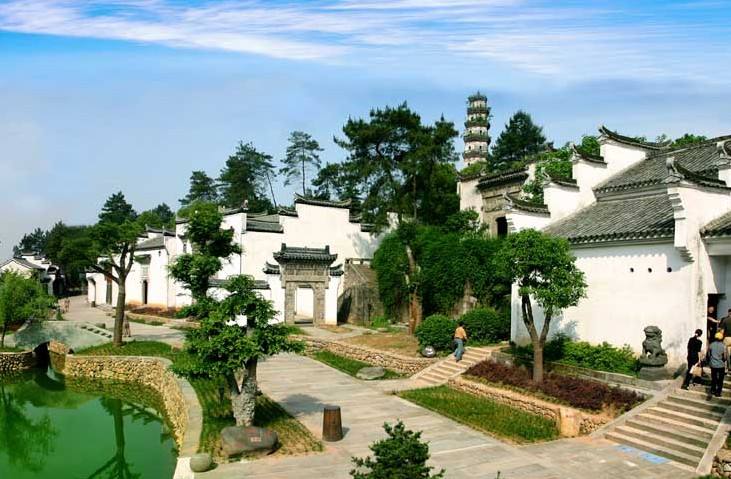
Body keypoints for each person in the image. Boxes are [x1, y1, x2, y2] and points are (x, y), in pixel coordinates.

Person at [708, 331, 727, 397]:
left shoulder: (711, 344)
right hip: (721, 365)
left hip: (713, 364)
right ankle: (718, 392)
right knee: (720, 379)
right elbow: (725, 357)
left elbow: (709, 355)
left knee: (714, 378)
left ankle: (713, 389)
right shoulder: (724, 346)